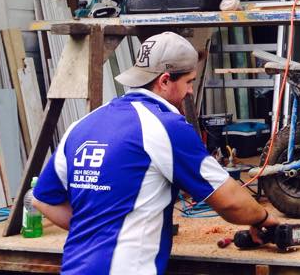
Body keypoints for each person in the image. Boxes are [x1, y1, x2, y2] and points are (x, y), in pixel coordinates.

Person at [32, 31, 280, 274]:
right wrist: (261, 218)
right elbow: (231, 202)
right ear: (164, 81)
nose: (190, 91)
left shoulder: (82, 125)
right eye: (189, 82)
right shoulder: (165, 126)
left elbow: (42, 199)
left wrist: (95, 231)